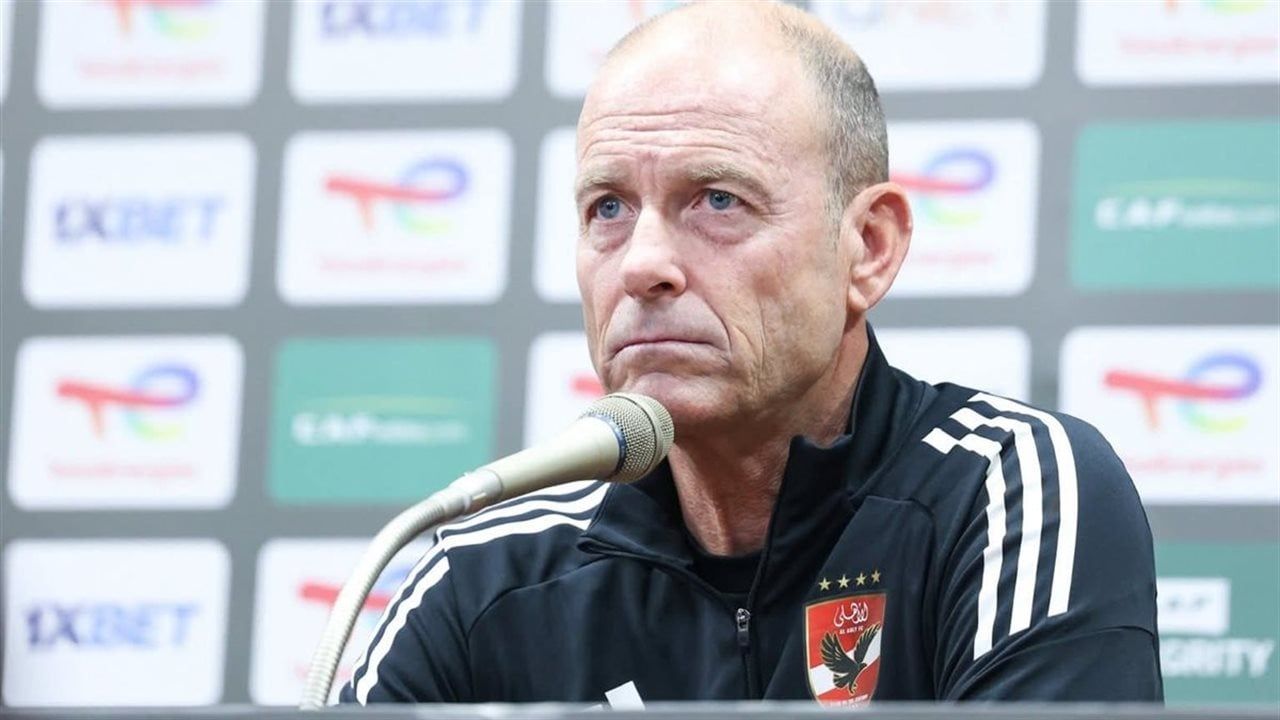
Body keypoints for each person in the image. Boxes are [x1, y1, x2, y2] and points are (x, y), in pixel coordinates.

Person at [341, 1, 1161, 705]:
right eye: (609, 208)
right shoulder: (487, 574)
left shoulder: (1006, 491)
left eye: (718, 199)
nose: (643, 265)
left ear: (869, 248)